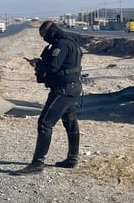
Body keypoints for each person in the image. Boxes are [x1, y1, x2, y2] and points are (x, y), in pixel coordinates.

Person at [14, 21, 83, 175]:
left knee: (44, 123)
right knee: (70, 122)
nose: (44, 39)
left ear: (50, 32)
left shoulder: (61, 45)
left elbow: (53, 66)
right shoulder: (71, 42)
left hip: (63, 90)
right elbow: (64, 64)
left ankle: (37, 163)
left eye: (44, 35)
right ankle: (72, 159)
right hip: (73, 87)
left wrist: (38, 65)